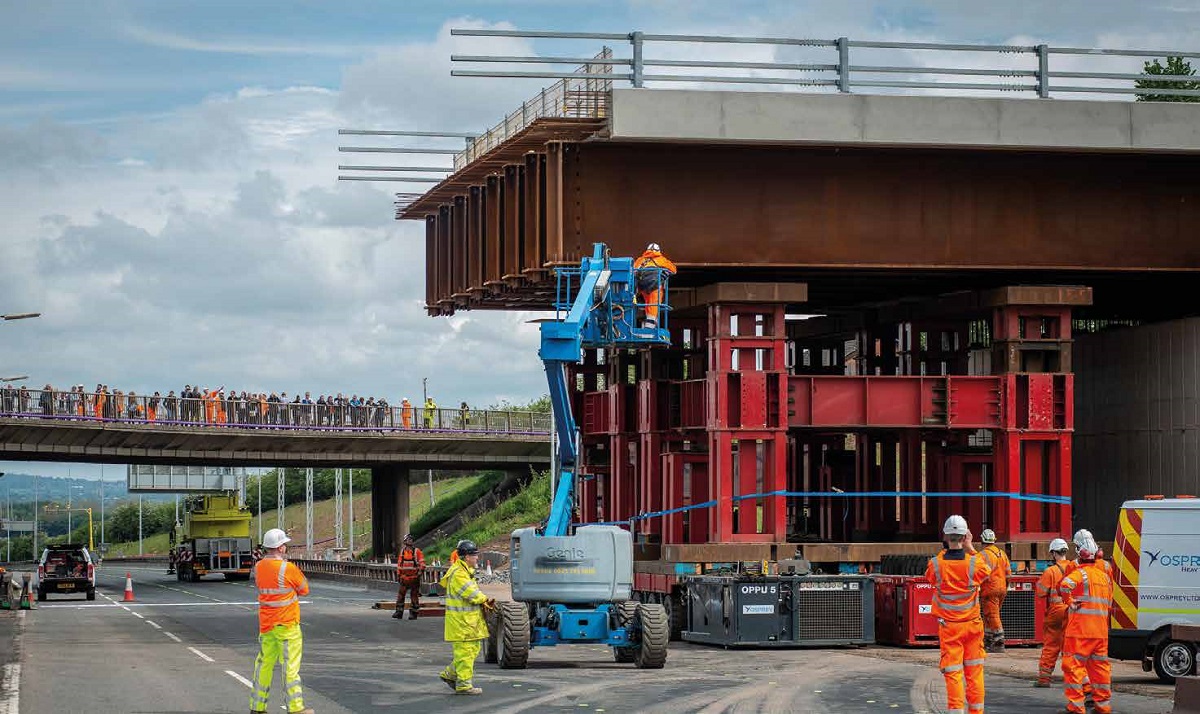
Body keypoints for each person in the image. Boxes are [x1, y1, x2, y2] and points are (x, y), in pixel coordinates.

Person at [925, 514, 991, 714]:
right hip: (972, 626)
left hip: (950, 628)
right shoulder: (974, 563)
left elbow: (930, 579)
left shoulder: (936, 564)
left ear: (945, 536)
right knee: (974, 671)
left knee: (953, 672)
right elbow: (988, 570)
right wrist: (971, 548)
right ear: (965, 536)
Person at [249, 528, 313, 714]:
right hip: (287, 625)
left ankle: (257, 707)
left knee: (263, 665)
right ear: (280, 547)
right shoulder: (287, 568)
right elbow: (304, 589)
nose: (285, 546)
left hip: (267, 626)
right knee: (290, 669)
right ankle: (295, 709)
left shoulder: (259, 567)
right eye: (284, 544)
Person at [1058, 529, 1113, 714]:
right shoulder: (1105, 573)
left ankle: (1076, 707)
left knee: (1072, 667)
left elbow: (1064, 586)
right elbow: (1109, 600)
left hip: (1080, 630)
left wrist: (1070, 602)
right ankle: (1103, 706)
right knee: (1100, 669)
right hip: (1100, 631)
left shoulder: (1078, 571)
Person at [438, 540, 492, 695]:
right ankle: (463, 685)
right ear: (467, 557)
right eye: (475, 555)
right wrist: (485, 600)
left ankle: (450, 674)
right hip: (462, 623)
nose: (477, 558)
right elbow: (471, 594)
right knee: (465, 653)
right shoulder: (459, 574)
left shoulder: (465, 571)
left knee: (473, 650)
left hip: (468, 622)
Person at [1034, 537, 1071, 688]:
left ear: (1054, 554)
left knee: (1051, 645)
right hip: (1071, 611)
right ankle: (1074, 679)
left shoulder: (1050, 571)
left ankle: (1044, 679)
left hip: (1056, 613)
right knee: (1069, 647)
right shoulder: (1074, 568)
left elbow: (1040, 592)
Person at [979, 528, 1011, 653]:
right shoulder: (1001, 553)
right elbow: (1009, 574)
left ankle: (999, 642)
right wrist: (1005, 586)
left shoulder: (982, 555)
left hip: (989, 589)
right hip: (1002, 588)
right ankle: (988, 641)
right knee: (989, 615)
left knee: (992, 615)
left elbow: (979, 573)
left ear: (982, 540)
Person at [633, 242, 677, 329]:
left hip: (642, 286)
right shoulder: (662, 259)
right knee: (653, 305)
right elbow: (674, 269)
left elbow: (633, 271)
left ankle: (649, 323)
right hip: (655, 286)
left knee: (647, 304)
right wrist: (666, 272)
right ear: (658, 251)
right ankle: (650, 327)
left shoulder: (640, 260)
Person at [393, 534, 426, 620]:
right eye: (408, 539)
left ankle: (414, 613)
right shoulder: (403, 552)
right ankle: (399, 612)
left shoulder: (417, 551)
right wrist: (399, 575)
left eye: (411, 539)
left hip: (414, 578)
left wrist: (419, 573)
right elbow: (400, 565)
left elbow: (422, 564)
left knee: (414, 596)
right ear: (405, 542)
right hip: (404, 578)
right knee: (400, 595)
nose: (410, 540)